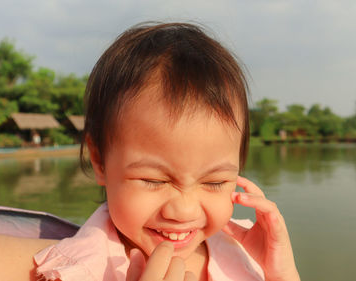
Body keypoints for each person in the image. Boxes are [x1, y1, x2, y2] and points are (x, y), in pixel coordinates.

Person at [34, 22, 300, 281]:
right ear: (100, 161)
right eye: (154, 180)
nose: (183, 211)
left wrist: (281, 274)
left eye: (214, 182)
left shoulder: (249, 248)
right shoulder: (75, 271)